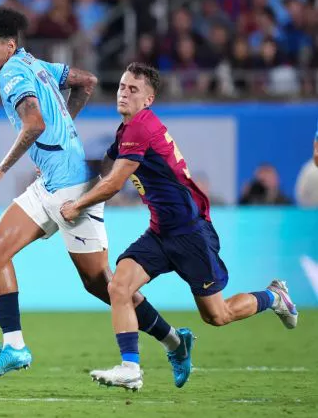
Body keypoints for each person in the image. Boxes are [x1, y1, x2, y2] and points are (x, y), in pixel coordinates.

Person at [0, 7, 191, 386]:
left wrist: (0, 171)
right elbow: (86, 80)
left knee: (101, 284)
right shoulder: (34, 63)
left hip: (74, 187)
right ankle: (15, 347)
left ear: (9, 45)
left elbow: (34, 123)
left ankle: (174, 341)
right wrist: (64, 128)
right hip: (51, 182)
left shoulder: (11, 73)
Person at [60, 62, 298, 391]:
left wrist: (77, 204)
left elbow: (115, 183)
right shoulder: (126, 130)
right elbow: (105, 171)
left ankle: (274, 297)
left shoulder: (141, 127)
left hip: (191, 234)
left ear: (149, 100)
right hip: (160, 232)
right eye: (121, 87)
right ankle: (131, 366)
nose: (124, 93)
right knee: (119, 287)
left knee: (217, 315)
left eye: (133, 89)